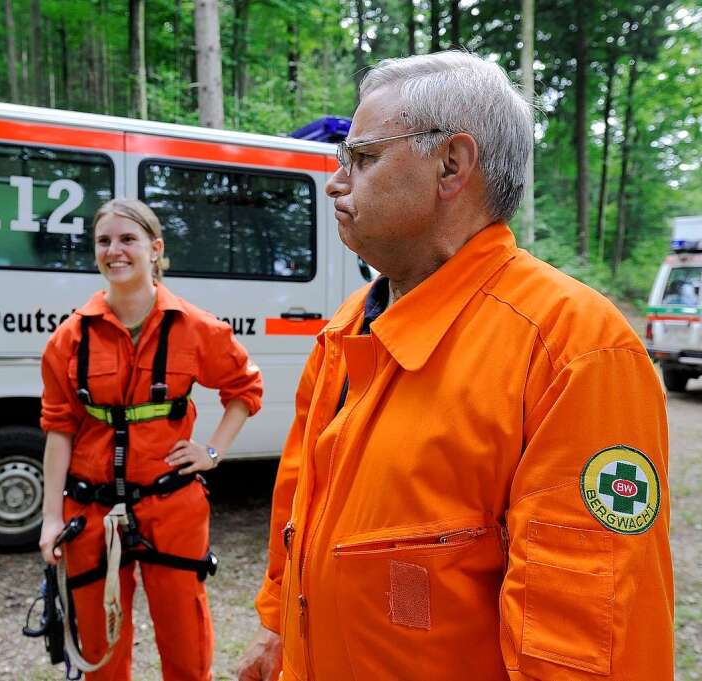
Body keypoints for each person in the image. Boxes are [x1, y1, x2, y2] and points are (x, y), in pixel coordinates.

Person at [237, 52, 672, 681]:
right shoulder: (347, 327)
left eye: (361, 158)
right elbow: (298, 511)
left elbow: (585, 637)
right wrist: (277, 630)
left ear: (451, 164)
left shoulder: (571, 347)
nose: (336, 183)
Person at [40, 198, 263, 681]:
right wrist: (50, 518)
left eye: (127, 239)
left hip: (171, 507)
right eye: (104, 241)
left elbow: (244, 388)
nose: (114, 251)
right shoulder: (69, 339)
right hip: (91, 513)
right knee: (100, 648)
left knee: (185, 642)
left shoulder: (195, 327)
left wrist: (211, 451)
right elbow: (58, 427)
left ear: (155, 248)